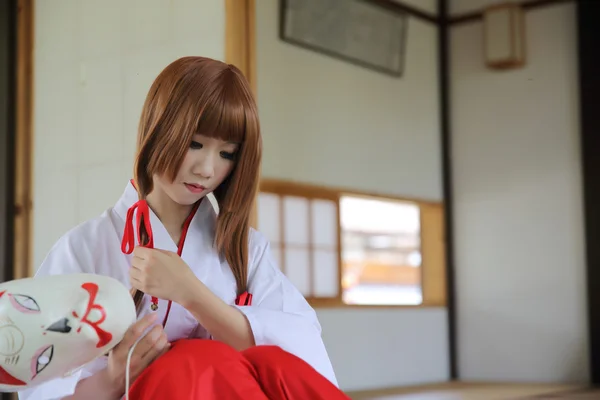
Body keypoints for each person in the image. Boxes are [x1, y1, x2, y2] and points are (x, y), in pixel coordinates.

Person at [18, 56, 348, 400]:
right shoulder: (85, 247)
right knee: (193, 361)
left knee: (266, 363)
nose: (207, 169)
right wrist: (114, 378)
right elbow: (37, 383)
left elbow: (301, 349)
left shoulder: (246, 249)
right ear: (157, 128)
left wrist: (192, 294)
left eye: (227, 153)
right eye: (195, 144)